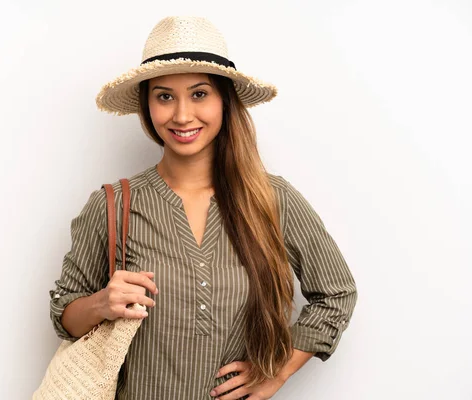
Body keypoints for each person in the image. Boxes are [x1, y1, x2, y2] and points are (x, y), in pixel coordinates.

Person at [48, 16, 357, 400]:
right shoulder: (113, 204)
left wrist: (278, 371)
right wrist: (101, 303)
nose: (181, 115)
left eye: (199, 94)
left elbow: (337, 293)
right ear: (147, 105)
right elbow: (64, 316)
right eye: (164, 96)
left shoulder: (273, 200)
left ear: (224, 101)